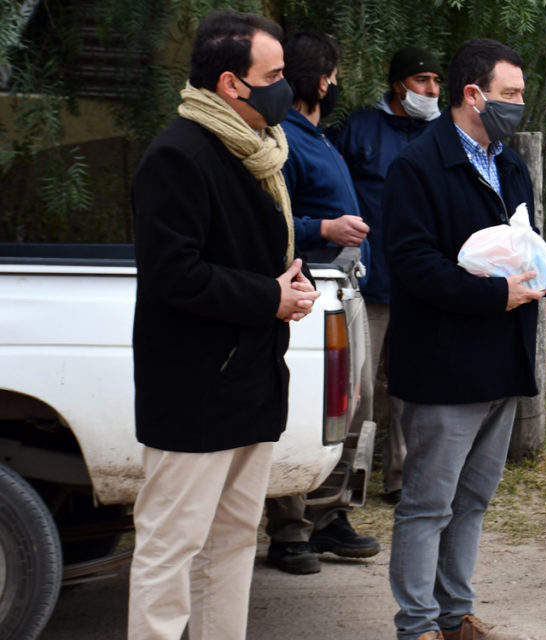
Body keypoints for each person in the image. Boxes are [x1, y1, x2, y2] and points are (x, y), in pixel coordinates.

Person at [127, 9, 320, 639]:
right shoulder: (179, 155)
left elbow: (249, 250)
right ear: (232, 84)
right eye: (276, 74)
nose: (288, 86)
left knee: (233, 541)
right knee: (170, 547)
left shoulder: (257, 152)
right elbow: (173, 274)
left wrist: (291, 283)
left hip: (249, 381)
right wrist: (269, 296)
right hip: (193, 391)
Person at [384, 37, 546, 640]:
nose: (520, 104)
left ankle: (454, 615)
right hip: (444, 364)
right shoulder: (418, 165)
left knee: (473, 502)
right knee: (427, 505)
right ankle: (416, 626)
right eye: (510, 94)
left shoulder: (509, 164)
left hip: (501, 361)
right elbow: (412, 263)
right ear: (473, 95)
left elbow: (522, 245)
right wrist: (494, 294)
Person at [262, 31, 381, 575]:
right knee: (306, 412)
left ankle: (331, 515)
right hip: (305, 295)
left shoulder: (319, 136)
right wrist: (325, 226)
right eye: (332, 74)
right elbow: (274, 222)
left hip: (344, 289)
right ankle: (289, 530)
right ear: (317, 79)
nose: (337, 85)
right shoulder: (283, 138)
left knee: (354, 407)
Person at [329, 46, 444, 504]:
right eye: (422, 82)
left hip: (423, 285)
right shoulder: (358, 128)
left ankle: (402, 480)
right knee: (356, 390)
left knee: (413, 389)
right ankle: (340, 487)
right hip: (369, 282)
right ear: (398, 85)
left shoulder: (443, 134)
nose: (431, 91)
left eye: (437, 82)